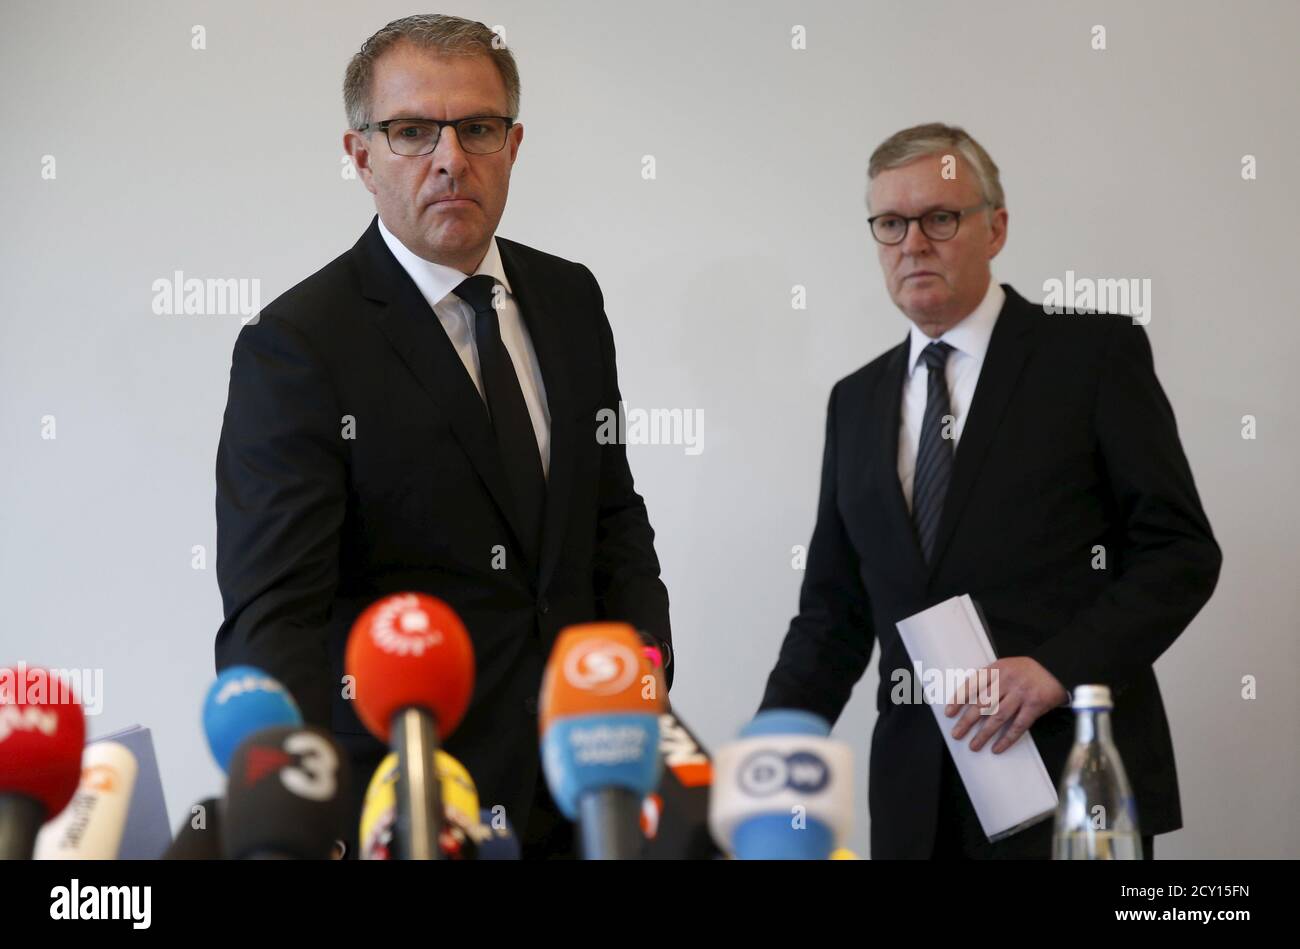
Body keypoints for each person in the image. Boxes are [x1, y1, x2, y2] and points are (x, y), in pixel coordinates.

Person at [214, 14, 672, 858]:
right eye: (413, 131)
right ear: (360, 155)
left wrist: (642, 679)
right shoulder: (300, 344)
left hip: (591, 795)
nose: (450, 156)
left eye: (478, 128)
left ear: (513, 143)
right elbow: (274, 619)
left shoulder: (571, 300)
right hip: (411, 807)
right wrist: (313, 818)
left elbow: (612, 518)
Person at [759, 122, 1221, 859]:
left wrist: (1058, 669)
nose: (913, 242)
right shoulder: (855, 400)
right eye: (890, 223)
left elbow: (1180, 552)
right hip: (915, 803)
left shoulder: (1093, 356)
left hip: (1071, 779)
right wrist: (769, 753)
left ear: (996, 227)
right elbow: (832, 613)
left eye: (940, 217)